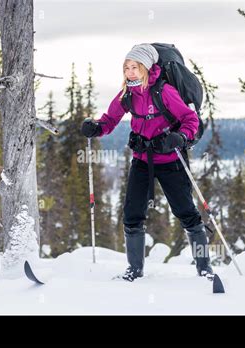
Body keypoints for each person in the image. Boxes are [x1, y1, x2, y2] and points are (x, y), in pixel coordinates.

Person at [81, 43, 213, 281]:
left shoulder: (165, 91)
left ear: (147, 67)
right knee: (132, 215)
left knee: (187, 214)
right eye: (127, 67)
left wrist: (180, 136)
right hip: (141, 160)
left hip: (171, 160)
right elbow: (110, 119)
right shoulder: (127, 94)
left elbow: (189, 119)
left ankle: (204, 267)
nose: (130, 72)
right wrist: (96, 128)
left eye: (135, 67)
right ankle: (134, 269)